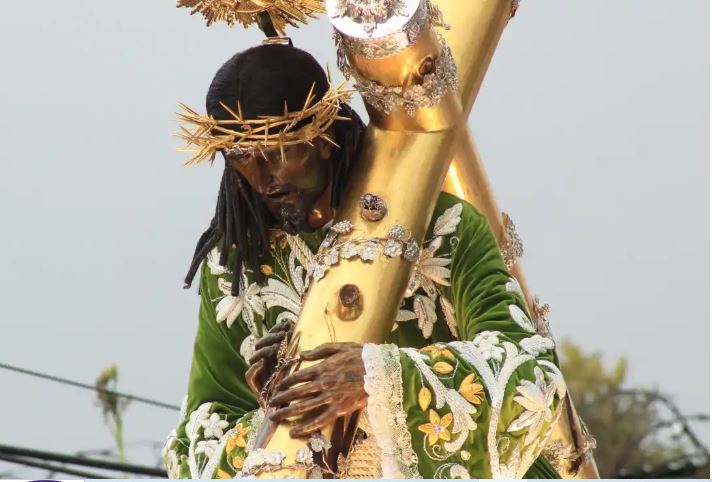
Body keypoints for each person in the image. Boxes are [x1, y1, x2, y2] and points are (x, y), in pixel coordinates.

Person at [163, 37, 564, 479]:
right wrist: (278, 407)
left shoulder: (438, 228)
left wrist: (376, 380)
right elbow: (195, 449)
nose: (262, 179)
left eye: (279, 151)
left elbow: (532, 378)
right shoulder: (235, 270)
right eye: (241, 156)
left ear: (322, 135)